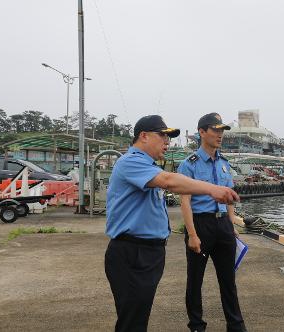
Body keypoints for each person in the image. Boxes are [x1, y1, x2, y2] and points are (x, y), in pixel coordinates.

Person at [104, 115, 240, 332]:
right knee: (132, 321)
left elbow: (175, 186)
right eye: (163, 136)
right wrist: (213, 189)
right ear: (144, 136)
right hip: (132, 252)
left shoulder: (149, 165)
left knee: (138, 317)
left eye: (169, 138)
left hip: (148, 252)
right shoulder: (130, 162)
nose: (167, 142)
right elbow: (169, 182)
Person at [178, 113, 247, 332]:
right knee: (195, 280)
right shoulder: (189, 165)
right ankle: (197, 325)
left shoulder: (225, 164)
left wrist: (232, 224)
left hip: (223, 226)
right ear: (201, 132)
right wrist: (192, 234)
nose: (220, 135)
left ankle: (235, 325)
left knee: (228, 280)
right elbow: (185, 202)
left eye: (222, 130)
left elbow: (228, 199)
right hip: (201, 225)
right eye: (215, 130)